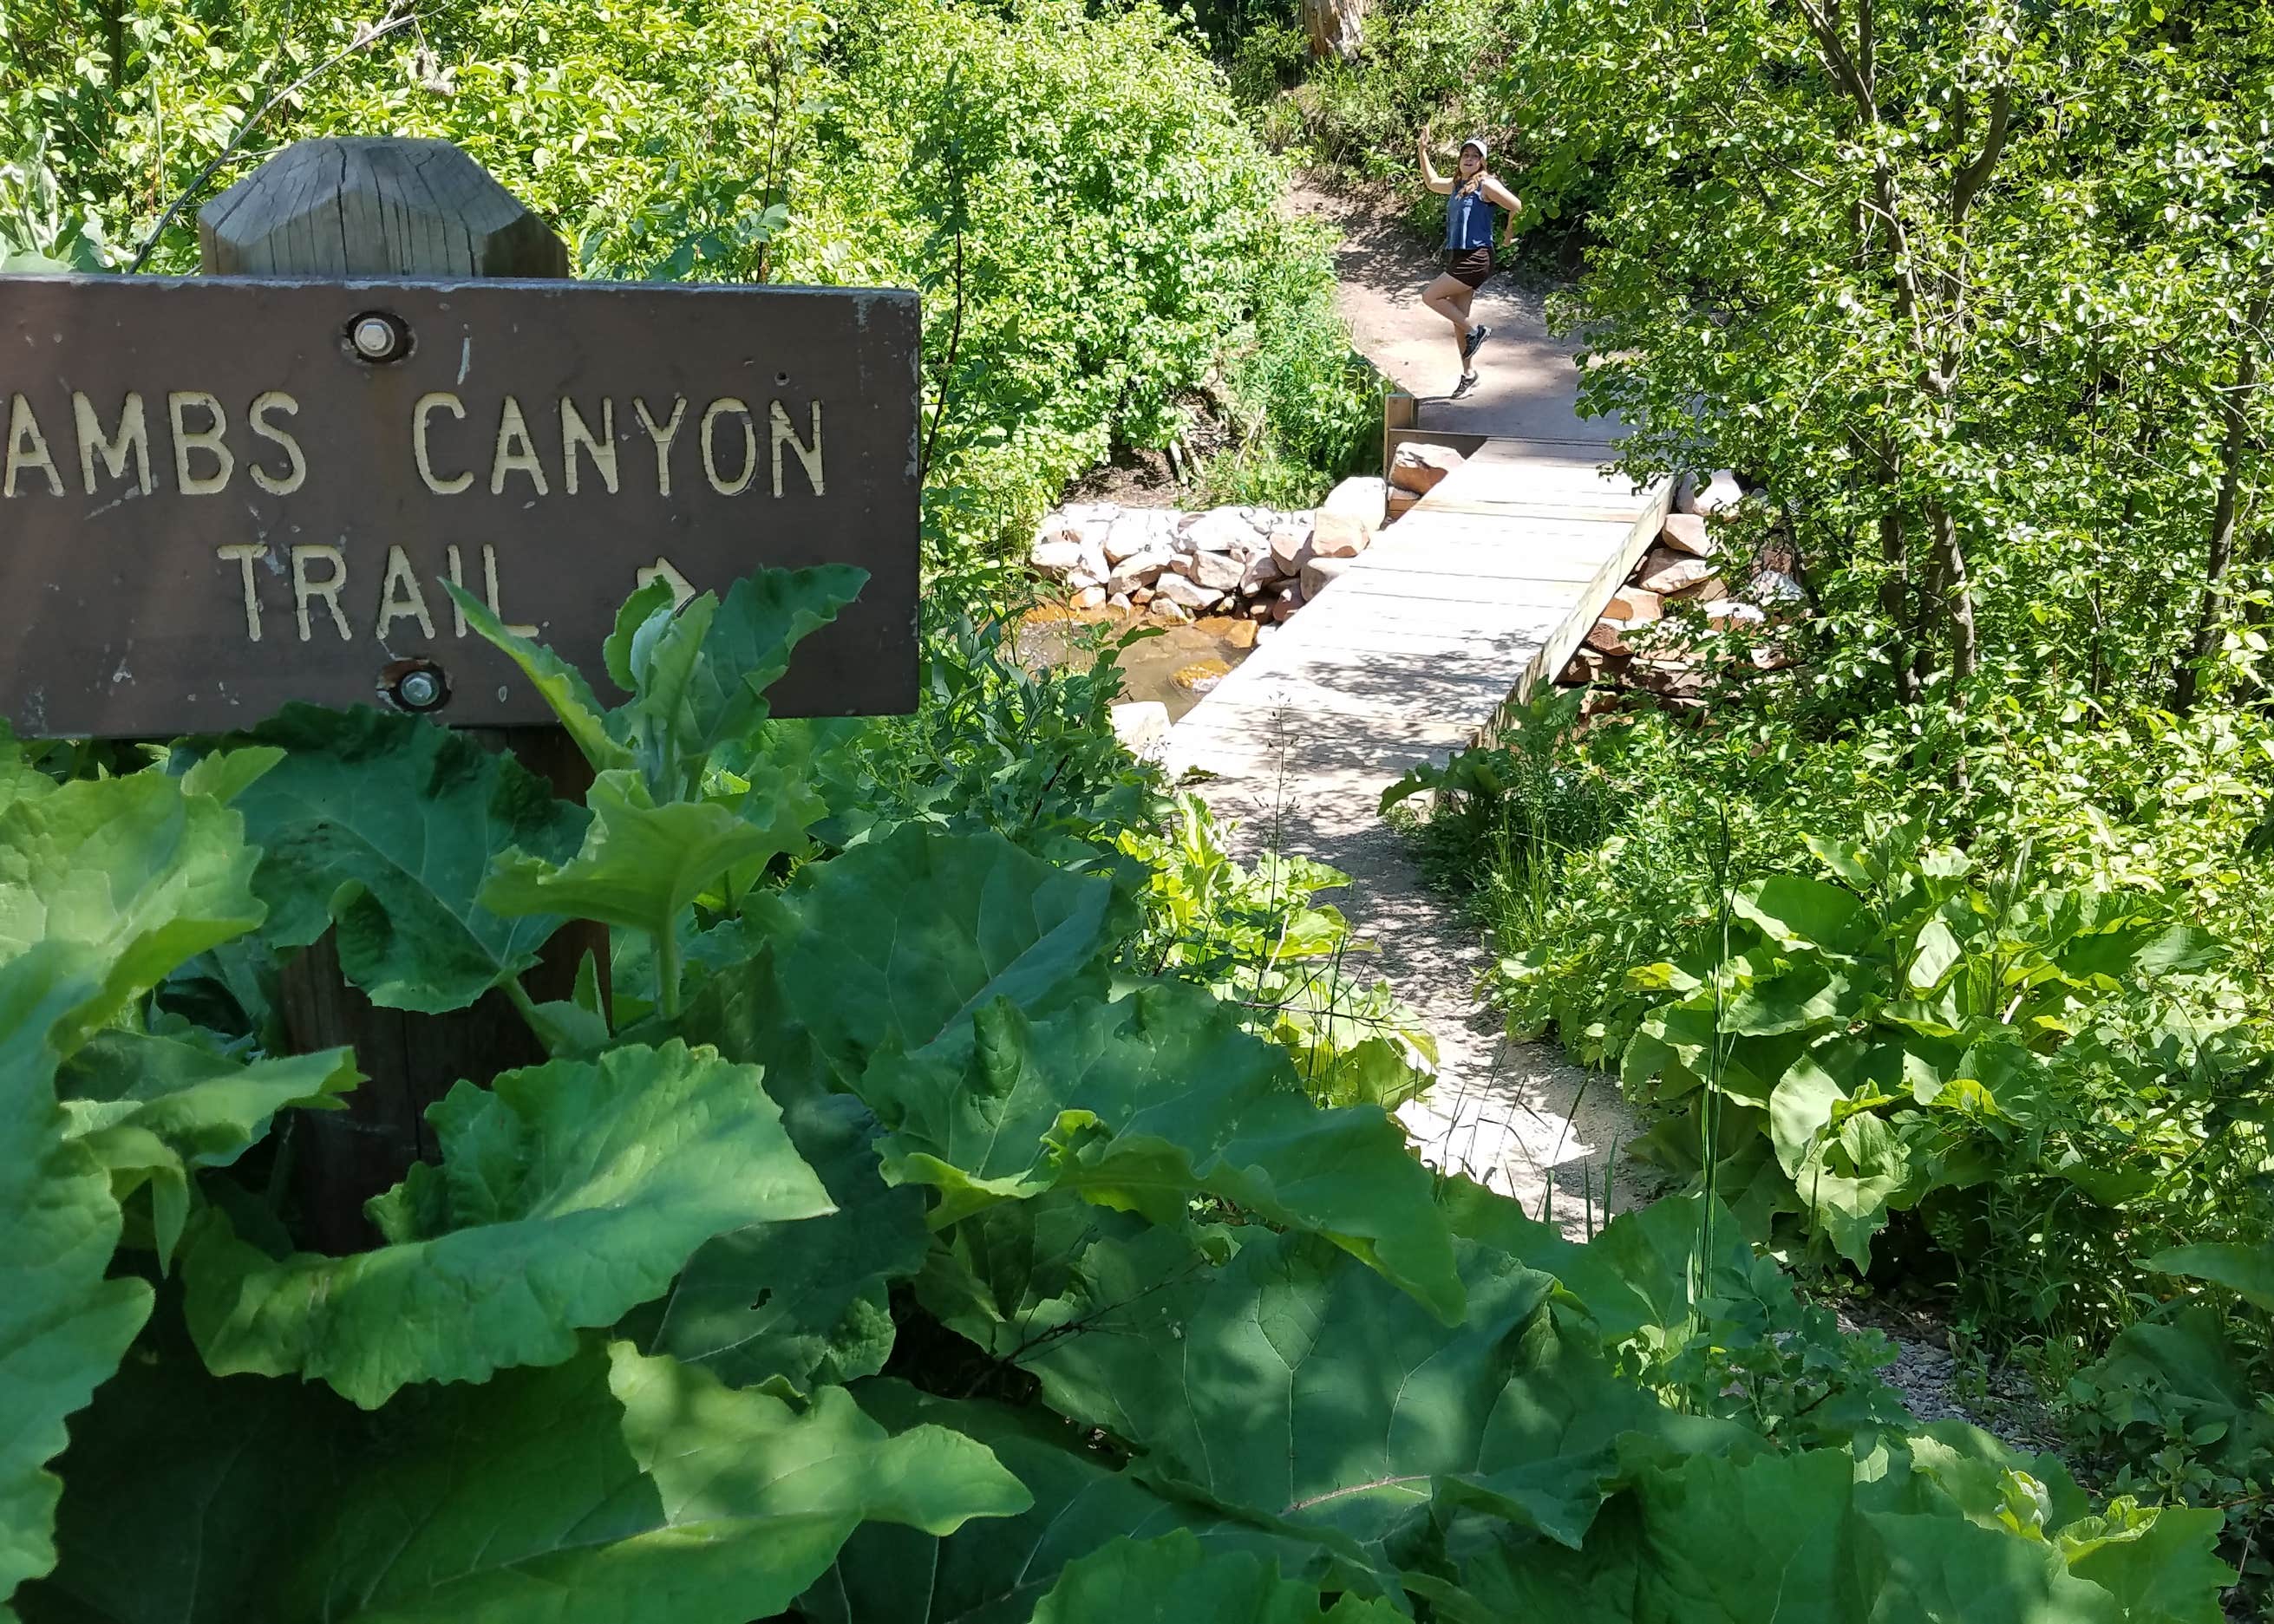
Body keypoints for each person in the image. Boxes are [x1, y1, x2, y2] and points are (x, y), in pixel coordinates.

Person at [1417, 132, 1521, 397]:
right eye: (1466, 155)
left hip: (1477, 256)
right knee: (1457, 320)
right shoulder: (1456, 185)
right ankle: (1468, 374)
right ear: (1460, 158)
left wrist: (1508, 234)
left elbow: (1516, 205)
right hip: (1459, 255)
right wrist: (1423, 150)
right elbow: (1430, 182)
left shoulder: (1485, 185)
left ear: (1482, 162)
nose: (1469, 159)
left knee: (1430, 296)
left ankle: (1478, 330)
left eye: (1475, 156)